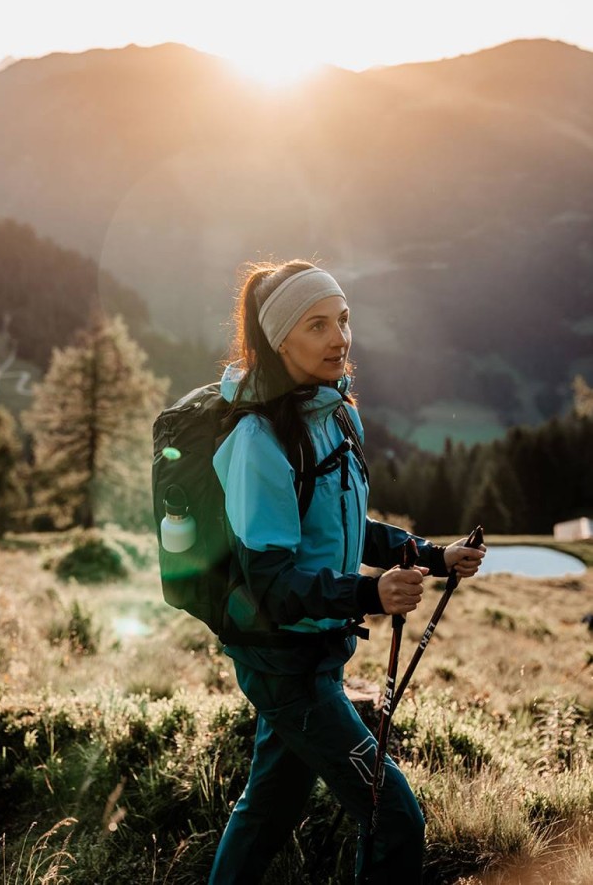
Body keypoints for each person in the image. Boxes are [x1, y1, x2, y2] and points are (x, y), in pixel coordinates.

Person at [208, 259, 485, 885]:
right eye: (317, 325)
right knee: (395, 820)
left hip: (315, 651)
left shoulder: (336, 415)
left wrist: (432, 557)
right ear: (281, 341)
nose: (340, 338)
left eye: (343, 320)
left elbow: (344, 530)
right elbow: (271, 586)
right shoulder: (259, 442)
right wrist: (370, 593)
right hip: (285, 662)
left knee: (268, 811)